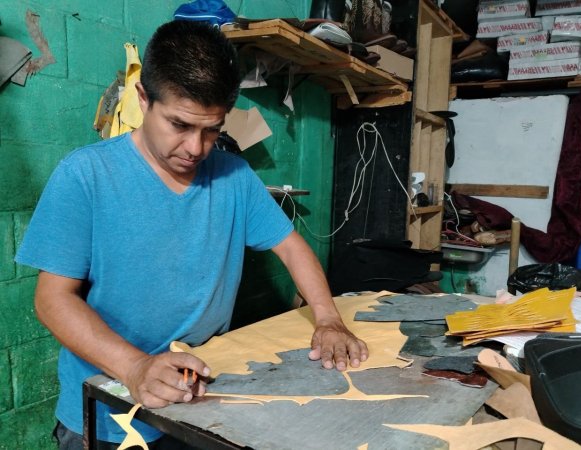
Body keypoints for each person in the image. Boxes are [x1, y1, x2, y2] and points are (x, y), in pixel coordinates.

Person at [15, 19, 368, 449]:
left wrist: (329, 319)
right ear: (143, 99)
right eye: (180, 125)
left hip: (200, 395)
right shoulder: (86, 175)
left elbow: (292, 248)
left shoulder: (234, 175)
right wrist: (136, 367)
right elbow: (52, 300)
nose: (196, 148)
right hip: (111, 408)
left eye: (212, 129)